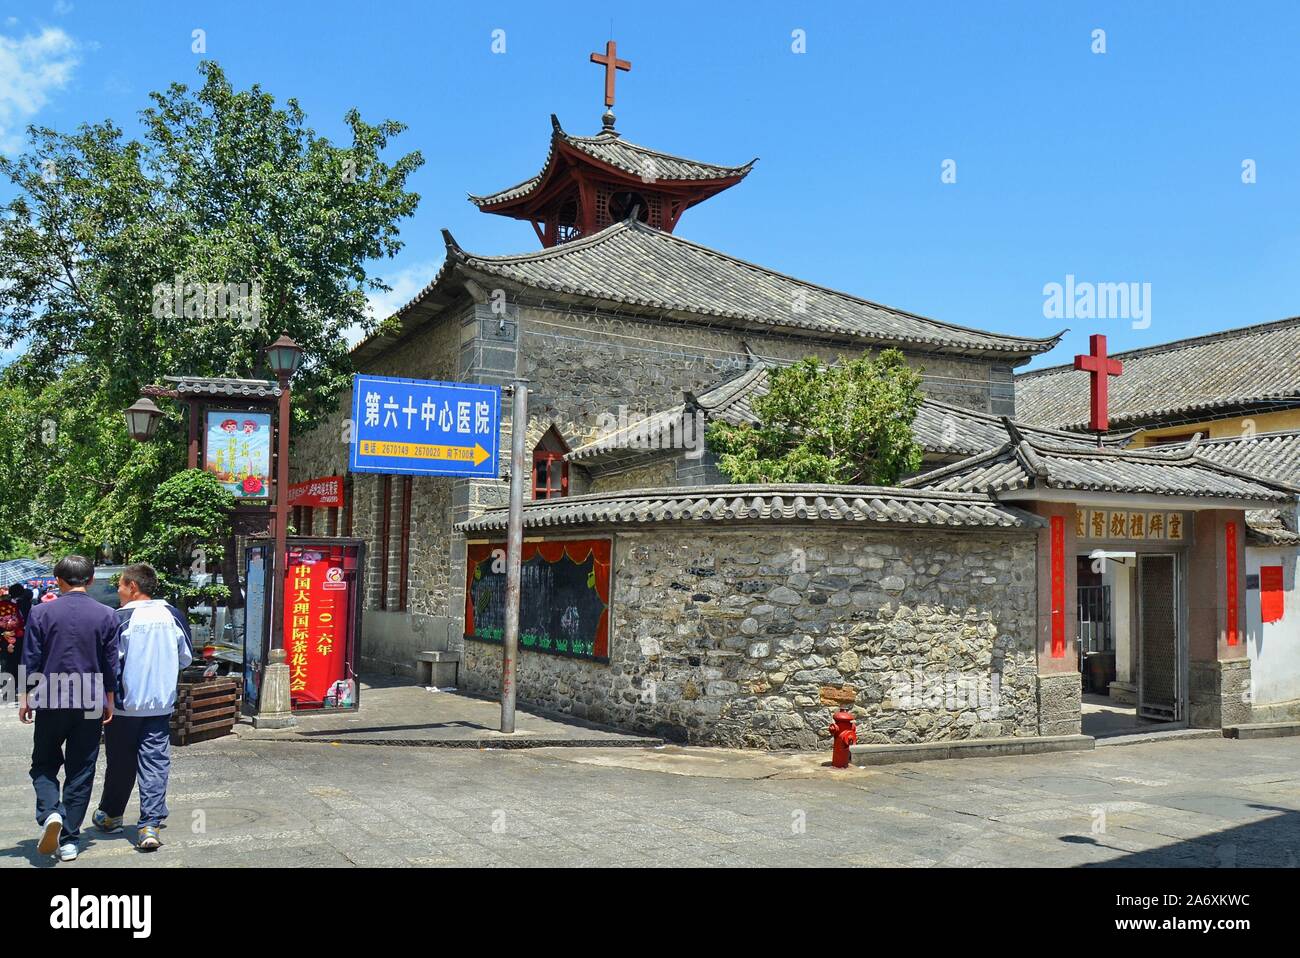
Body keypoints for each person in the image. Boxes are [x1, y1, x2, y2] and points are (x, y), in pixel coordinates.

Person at [19, 556, 118, 862]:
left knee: (44, 763)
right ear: (89, 581)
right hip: (89, 701)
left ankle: (50, 812)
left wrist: (25, 696)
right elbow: (111, 663)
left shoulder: (41, 612)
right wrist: (110, 700)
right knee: (82, 768)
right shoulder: (107, 615)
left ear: (58, 580)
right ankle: (70, 839)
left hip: (50, 699)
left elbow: (31, 656)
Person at [92, 563, 192, 852]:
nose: (118, 591)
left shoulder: (119, 619)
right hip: (160, 703)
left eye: (120, 586)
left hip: (124, 706)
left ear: (133, 587)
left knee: (120, 763)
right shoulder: (173, 615)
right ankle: (150, 824)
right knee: (155, 763)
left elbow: (110, 664)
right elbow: (185, 657)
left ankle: (111, 815)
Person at [0, 584, 27, 685]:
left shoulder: (9, 605)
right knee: (16, 661)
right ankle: (15, 683)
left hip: (5, 638)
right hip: (17, 636)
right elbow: (21, 621)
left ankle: (5, 683)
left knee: (5, 660)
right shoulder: (19, 605)